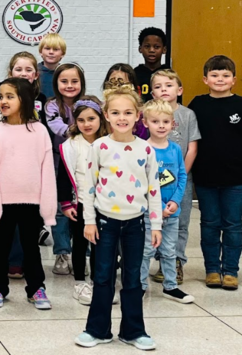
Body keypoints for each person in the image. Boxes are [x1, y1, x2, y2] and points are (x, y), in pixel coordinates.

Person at [75, 83, 162, 350]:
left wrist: (156, 224)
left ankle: (133, 331)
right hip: (104, 224)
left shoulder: (146, 149)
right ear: (106, 115)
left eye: (127, 113)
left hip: (136, 223)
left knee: (133, 277)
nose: (121, 118)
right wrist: (89, 221)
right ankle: (97, 329)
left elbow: (154, 189)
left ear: (138, 116)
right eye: (115, 113)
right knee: (102, 276)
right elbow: (87, 188)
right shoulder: (99, 147)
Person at [0, 77, 56, 310]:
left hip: (31, 202)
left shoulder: (40, 131)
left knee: (31, 247)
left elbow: (47, 170)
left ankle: (36, 288)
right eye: (1, 97)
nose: (3, 101)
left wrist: (48, 209)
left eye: (9, 96)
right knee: (1, 246)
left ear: (24, 99)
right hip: (3, 202)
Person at [188, 55, 242, 291]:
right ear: (205, 79)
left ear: (234, 80)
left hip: (236, 177)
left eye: (225, 75)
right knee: (209, 223)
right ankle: (212, 270)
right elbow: (191, 141)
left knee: (233, 224)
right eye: (215, 75)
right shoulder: (197, 105)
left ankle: (230, 270)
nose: (220, 79)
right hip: (205, 176)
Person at [0, 51, 52, 281]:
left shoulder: (42, 101)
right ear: (10, 73)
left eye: (28, 69)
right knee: (9, 225)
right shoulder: (2, 101)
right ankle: (11, 262)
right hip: (9, 169)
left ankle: (28, 266)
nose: (23, 73)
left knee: (28, 224)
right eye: (18, 69)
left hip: (33, 169)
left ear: (36, 74)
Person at [139, 99, 195, 304]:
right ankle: (140, 286)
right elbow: (142, 183)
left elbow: (181, 176)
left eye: (165, 121)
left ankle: (171, 286)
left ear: (173, 124)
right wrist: (159, 208)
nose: (161, 126)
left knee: (170, 250)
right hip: (149, 213)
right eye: (155, 121)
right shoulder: (143, 150)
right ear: (145, 123)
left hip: (172, 212)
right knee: (146, 250)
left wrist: (175, 202)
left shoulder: (175, 149)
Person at [148, 69, 200, 285]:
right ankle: (155, 259)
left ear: (179, 90)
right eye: (158, 87)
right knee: (154, 220)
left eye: (168, 85)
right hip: (152, 180)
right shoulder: (147, 113)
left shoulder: (187, 115)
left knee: (178, 221)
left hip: (179, 180)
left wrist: (181, 178)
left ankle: (175, 262)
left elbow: (192, 147)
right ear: (152, 93)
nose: (164, 90)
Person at [57, 95, 109, 305]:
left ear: (100, 119)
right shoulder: (71, 146)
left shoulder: (108, 143)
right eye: (81, 120)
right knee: (79, 243)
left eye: (91, 119)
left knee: (101, 244)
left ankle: (99, 282)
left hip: (105, 203)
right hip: (79, 202)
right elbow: (63, 176)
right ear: (75, 122)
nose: (86, 124)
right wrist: (66, 203)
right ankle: (80, 281)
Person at [45, 63, 86, 145]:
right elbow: (56, 125)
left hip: (85, 148)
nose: (69, 85)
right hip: (60, 152)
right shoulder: (51, 105)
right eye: (64, 81)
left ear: (81, 83)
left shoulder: (88, 104)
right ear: (56, 84)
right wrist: (75, 131)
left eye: (74, 81)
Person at [104, 64, 147, 139]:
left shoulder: (140, 116)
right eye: (112, 82)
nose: (116, 87)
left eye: (121, 83)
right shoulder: (100, 111)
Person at [134, 27, 170, 102]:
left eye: (156, 47)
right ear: (140, 49)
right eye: (147, 46)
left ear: (164, 49)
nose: (151, 50)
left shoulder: (170, 75)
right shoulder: (134, 75)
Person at [37, 33, 66, 98]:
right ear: (40, 52)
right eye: (47, 48)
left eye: (55, 49)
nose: (51, 52)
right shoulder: (33, 72)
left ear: (63, 53)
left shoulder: (65, 73)